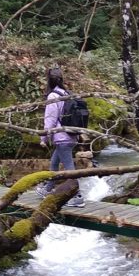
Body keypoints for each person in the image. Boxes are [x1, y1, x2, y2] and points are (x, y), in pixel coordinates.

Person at [37, 67, 84, 208]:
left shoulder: (53, 96)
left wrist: (44, 138)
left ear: (49, 80)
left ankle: (78, 196)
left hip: (62, 138)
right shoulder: (65, 93)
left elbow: (50, 120)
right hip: (70, 136)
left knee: (69, 168)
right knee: (54, 163)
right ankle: (48, 189)